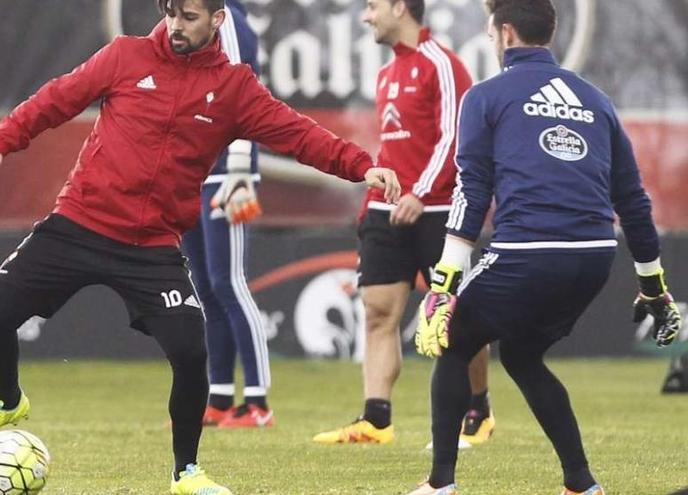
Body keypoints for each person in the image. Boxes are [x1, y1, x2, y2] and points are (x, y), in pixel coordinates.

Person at [0, 1, 399, 493]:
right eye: (170, 13)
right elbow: (57, 98)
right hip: (80, 221)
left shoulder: (234, 88)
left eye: (189, 16)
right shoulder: (125, 56)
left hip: (152, 246)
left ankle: (185, 473)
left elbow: (299, 136)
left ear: (217, 19)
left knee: (190, 354)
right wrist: (1, 142)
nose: (175, 25)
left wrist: (361, 166)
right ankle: (7, 400)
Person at [410, 1, 683, 494]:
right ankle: (581, 484)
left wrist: (443, 284)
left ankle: (439, 486)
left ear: (506, 33)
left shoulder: (485, 96)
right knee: (521, 356)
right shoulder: (595, 100)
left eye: (492, 32)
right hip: (594, 257)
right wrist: (655, 289)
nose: (492, 41)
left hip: (528, 252)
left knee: (452, 343)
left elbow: (471, 189)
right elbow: (634, 202)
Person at [313, 0, 493, 447]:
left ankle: (479, 410)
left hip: (436, 210)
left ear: (400, 7)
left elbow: (455, 136)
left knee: (457, 316)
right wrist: (386, 197)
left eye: (372, 6)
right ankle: (376, 419)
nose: (366, 16)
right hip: (386, 209)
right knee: (377, 312)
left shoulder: (443, 65)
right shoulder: (386, 73)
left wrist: (422, 191)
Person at [180, 0, 274, 429]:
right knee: (205, 286)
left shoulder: (227, 18)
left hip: (225, 174)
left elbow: (241, 87)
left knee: (229, 282)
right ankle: (218, 398)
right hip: (196, 171)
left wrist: (240, 170)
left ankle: (257, 401)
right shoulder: (190, 15)